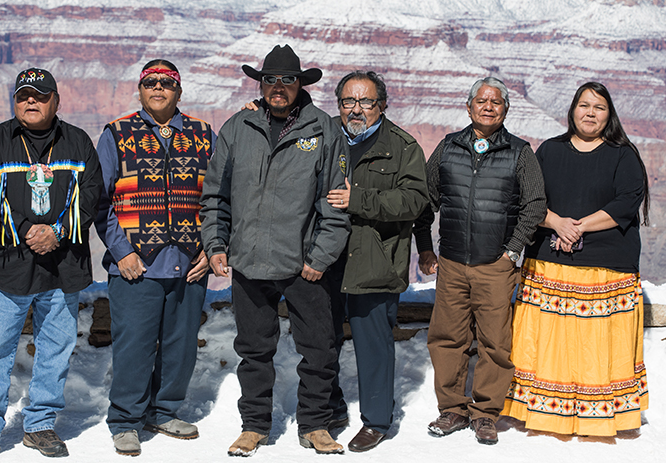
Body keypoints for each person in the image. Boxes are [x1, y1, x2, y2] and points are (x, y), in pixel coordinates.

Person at [201, 44, 350, 456]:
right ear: (260, 84)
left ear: (301, 83)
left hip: (304, 265)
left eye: (287, 79)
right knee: (253, 351)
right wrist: (215, 244)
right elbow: (215, 195)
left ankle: (316, 426)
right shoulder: (238, 127)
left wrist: (319, 258)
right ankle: (254, 426)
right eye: (270, 80)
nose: (278, 87)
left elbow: (336, 202)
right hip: (248, 261)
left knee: (319, 349)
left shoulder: (323, 130)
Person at [0, 68, 102, 462]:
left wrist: (56, 230)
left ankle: (40, 424)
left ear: (55, 101)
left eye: (40, 96)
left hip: (64, 267)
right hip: (8, 267)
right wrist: (26, 229)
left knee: (55, 348)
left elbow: (91, 193)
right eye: (24, 95)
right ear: (15, 100)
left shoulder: (76, 141)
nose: (31, 102)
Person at [501, 82, 649, 436]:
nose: (590, 113)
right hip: (549, 260)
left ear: (608, 114)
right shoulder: (550, 151)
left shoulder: (623, 154)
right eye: (584, 105)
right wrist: (556, 223)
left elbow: (626, 203)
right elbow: (529, 197)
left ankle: (596, 416)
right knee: (548, 342)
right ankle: (543, 413)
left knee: (593, 347)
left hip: (605, 265)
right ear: (572, 110)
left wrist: (578, 228)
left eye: (599, 107)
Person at [413, 77, 546, 445]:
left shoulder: (520, 152)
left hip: (496, 265)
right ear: (468, 106)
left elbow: (534, 205)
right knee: (447, 338)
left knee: (495, 343)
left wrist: (512, 251)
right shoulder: (448, 147)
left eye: (496, 102)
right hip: (453, 262)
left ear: (506, 109)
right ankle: (453, 409)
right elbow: (424, 200)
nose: (488, 106)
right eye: (482, 100)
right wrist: (425, 246)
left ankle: (486, 413)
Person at [95, 59, 215, 456]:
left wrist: (210, 247)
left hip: (189, 260)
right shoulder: (117, 133)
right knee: (134, 345)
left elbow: (217, 199)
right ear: (140, 90)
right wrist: (122, 251)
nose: (159, 88)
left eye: (167, 82)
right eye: (151, 82)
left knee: (181, 345)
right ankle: (126, 420)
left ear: (179, 91)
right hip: (136, 265)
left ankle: (163, 411)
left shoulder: (202, 134)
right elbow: (100, 201)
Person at [323, 71, 428, 452]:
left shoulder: (402, 146)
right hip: (325, 259)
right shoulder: (323, 135)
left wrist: (359, 200)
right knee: (323, 340)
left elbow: (415, 202)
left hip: (376, 261)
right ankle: (331, 407)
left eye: (366, 102)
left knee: (374, 346)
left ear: (382, 105)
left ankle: (377, 421)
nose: (356, 109)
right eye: (348, 101)